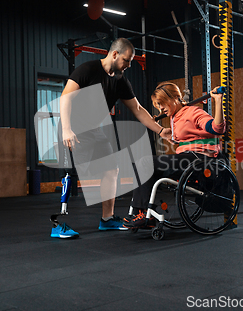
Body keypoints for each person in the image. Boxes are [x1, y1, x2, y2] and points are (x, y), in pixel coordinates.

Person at [59, 38, 172, 235]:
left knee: (111, 169)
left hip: (95, 130)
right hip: (74, 128)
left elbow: (137, 109)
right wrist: (66, 129)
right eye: (126, 60)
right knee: (71, 173)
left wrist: (160, 131)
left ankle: (107, 219)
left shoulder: (120, 80)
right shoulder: (88, 70)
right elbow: (66, 97)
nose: (128, 65)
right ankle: (58, 223)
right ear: (114, 54)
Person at [124, 81, 226, 228]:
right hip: (186, 157)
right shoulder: (175, 117)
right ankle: (142, 212)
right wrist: (173, 138)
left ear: (173, 98)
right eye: (158, 105)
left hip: (200, 158)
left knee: (145, 162)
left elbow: (217, 128)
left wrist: (218, 101)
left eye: (162, 103)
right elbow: (187, 137)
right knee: (141, 165)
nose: (161, 108)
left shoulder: (194, 112)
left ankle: (142, 211)